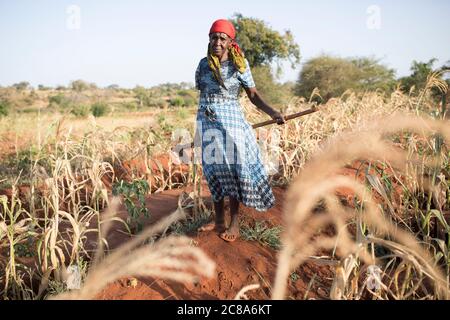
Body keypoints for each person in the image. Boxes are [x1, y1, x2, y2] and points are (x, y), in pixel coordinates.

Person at [195, 19, 285, 242]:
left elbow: (253, 95)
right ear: (209, 40)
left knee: (233, 172)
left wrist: (272, 112)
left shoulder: (239, 65)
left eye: (222, 38)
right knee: (213, 171)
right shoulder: (203, 65)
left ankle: (234, 224)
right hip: (207, 123)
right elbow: (202, 93)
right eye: (214, 37)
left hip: (232, 124)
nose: (217, 41)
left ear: (230, 42)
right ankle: (218, 221)